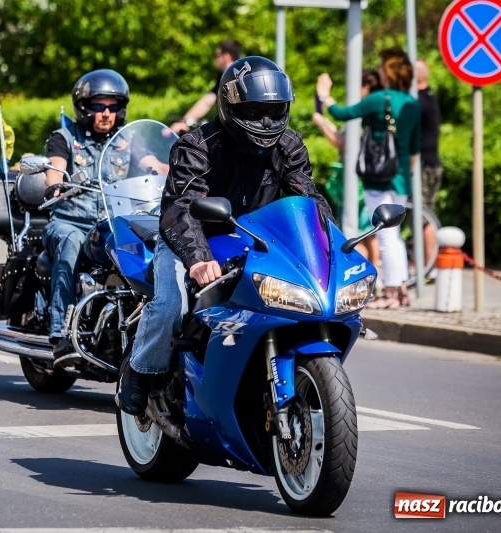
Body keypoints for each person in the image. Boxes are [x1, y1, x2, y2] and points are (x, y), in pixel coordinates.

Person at [116, 56, 335, 415]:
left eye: (274, 110)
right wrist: (198, 258)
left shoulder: (289, 146)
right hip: (189, 237)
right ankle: (141, 369)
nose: (266, 121)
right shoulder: (197, 145)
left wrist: (332, 248)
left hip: (253, 239)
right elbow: (180, 208)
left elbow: (307, 199)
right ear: (230, 105)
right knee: (172, 303)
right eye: (253, 110)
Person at [42, 68, 168, 363]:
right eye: (99, 106)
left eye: (113, 106)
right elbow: (55, 168)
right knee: (71, 242)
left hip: (110, 222)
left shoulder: (128, 139)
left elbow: (154, 166)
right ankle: (61, 332)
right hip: (70, 222)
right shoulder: (65, 137)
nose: (106, 113)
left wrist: (180, 172)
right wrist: (56, 182)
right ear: (85, 107)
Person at [317, 47, 421, 309]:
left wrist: (325, 96)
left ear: (387, 72)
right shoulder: (412, 105)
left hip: (380, 177)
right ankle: (402, 291)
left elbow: (343, 113)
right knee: (394, 234)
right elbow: (415, 149)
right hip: (401, 178)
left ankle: (392, 293)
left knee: (385, 236)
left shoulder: (380, 99)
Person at [313, 68, 381, 266]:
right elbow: (342, 137)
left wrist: (324, 100)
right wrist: (323, 122)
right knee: (366, 231)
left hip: (357, 179)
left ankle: (371, 271)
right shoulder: (366, 112)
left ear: (366, 87)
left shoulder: (364, 112)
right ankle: (374, 272)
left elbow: (342, 143)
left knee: (363, 231)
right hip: (359, 177)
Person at [169, 39, 242, 135]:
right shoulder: (236, 72)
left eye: (217, 55)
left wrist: (183, 122)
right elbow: (211, 97)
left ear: (226, 57)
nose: (215, 59)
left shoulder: (230, 76)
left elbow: (208, 101)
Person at [416, 58, 442, 271]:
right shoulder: (429, 96)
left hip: (424, 166)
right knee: (424, 214)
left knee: (423, 216)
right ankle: (427, 264)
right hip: (430, 163)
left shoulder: (419, 101)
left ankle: (429, 266)